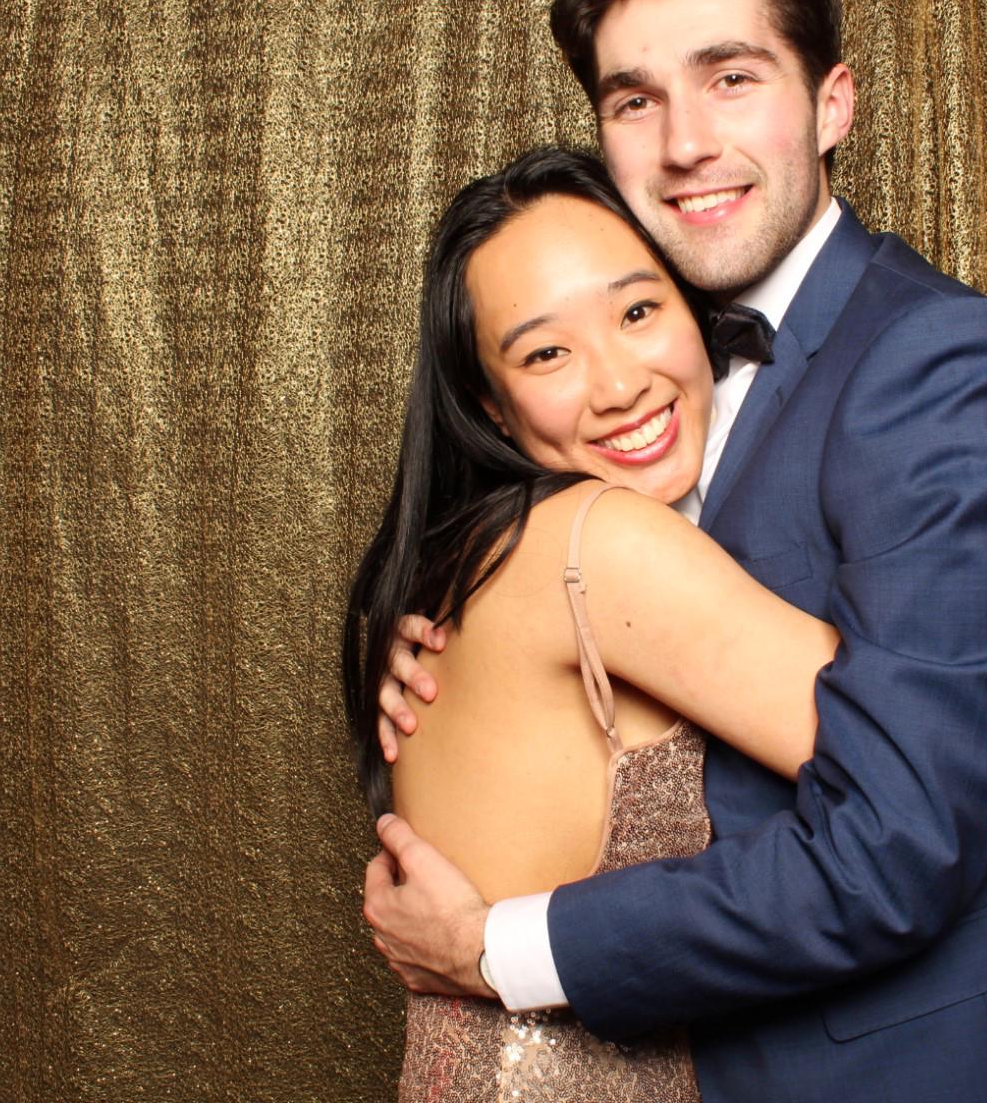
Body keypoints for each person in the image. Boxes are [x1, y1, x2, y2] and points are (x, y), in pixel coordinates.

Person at [362, 0, 987, 1100]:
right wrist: (464, 657)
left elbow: (906, 833)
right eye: (635, 100)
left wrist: (495, 949)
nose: (685, 143)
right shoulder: (645, 362)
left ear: (832, 105)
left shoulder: (933, 357)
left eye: (731, 78)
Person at [344, 147, 842, 1099]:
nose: (616, 385)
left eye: (638, 312)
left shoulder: (478, 554)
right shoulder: (601, 547)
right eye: (547, 353)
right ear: (490, 405)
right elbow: (916, 753)